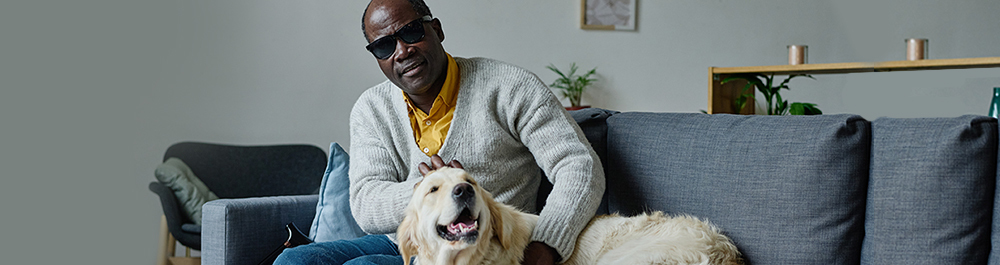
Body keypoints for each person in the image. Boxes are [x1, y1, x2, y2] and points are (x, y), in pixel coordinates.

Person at [274, 0, 604, 264]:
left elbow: (579, 166)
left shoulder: (510, 87)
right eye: (384, 46)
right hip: (406, 242)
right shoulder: (371, 108)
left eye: (411, 32)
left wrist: (546, 246)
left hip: (483, 247)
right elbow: (365, 203)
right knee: (295, 260)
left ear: (436, 29)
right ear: (376, 57)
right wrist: (434, 188)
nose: (401, 51)